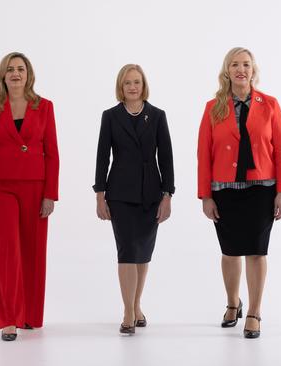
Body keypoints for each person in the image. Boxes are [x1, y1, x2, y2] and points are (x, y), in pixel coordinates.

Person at [197, 47, 281, 339]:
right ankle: (232, 303)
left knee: (256, 251)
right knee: (229, 252)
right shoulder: (214, 106)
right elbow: (203, 154)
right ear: (227, 71)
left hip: (262, 190)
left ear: (253, 70)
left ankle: (254, 311)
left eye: (246, 65)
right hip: (224, 190)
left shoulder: (271, 105)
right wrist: (206, 195)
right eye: (235, 64)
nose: (241, 69)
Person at [0, 52, 59, 341]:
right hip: (1, 187)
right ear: (3, 75)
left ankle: (31, 316)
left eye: (20, 69)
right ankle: (9, 318)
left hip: (36, 187)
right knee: (9, 249)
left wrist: (51, 194)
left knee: (34, 250)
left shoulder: (44, 107)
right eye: (10, 69)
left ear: (29, 74)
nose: (15, 73)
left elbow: (53, 153)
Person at [93, 64, 174, 335]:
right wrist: (99, 194)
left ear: (143, 85)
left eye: (136, 82)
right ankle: (128, 311)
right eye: (127, 82)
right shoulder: (111, 116)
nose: (132, 87)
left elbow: (166, 157)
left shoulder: (158, 116)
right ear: (121, 86)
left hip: (151, 194)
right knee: (126, 250)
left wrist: (168, 195)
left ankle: (137, 305)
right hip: (120, 194)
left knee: (143, 253)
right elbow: (103, 156)